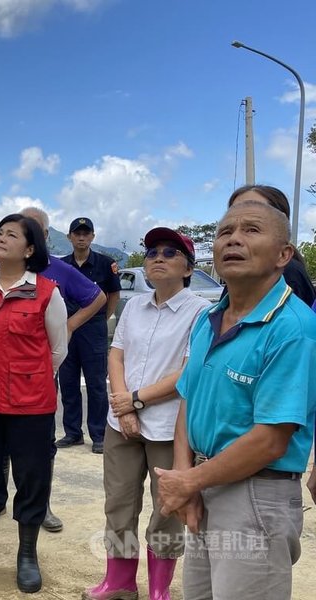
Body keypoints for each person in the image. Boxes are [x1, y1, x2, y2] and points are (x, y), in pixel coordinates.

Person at [156, 201, 316, 599]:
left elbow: (271, 439)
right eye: (226, 232)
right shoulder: (208, 318)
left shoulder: (293, 328)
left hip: (256, 493)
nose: (234, 239)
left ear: (284, 255)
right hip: (204, 483)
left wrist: (189, 481)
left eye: (251, 230)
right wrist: (185, 478)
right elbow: (188, 399)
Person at [0, 206, 106, 533]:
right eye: (3, 230)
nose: (5, 236)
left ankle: (40, 507)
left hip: (34, 381)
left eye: (21, 231)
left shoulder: (56, 275)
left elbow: (97, 299)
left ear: (38, 241)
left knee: (35, 456)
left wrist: (64, 333)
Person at [83, 228, 210, 600]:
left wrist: (135, 400)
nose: (158, 257)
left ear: (188, 268)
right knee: (119, 500)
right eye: (153, 251)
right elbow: (116, 354)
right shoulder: (134, 305)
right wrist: (123, 404)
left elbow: (189, 372)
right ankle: (119, 581)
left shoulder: (200, 312)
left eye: (171, 252)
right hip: (121, 422)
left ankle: (159, 589)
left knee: (167, 507)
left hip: (169, 427)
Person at [0, 213, 67, 594]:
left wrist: (26, 378)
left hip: (31, 407)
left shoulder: (47, 292)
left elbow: (57, 350)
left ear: (30, 248)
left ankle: (26, 557)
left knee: (31, 480)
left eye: (12, 234)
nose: (1, 238)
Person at [57, 217, 121, 455]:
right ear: (69, 237)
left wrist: (102, 318)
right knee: (68, 381)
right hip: (66, 328)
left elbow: (113, 294)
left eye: (86, 233)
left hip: (93, 329)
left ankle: (99, 435)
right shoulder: (62, 266)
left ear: (93, 236)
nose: (81, 237)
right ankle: (72, 433)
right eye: (77, 233)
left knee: (96, 384)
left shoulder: (106, 264)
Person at [226, 184, 316, 306]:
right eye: (234, 211)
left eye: (252, 229)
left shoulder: (287, 275)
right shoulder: (241, 278)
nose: (234, 238)